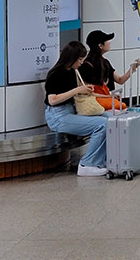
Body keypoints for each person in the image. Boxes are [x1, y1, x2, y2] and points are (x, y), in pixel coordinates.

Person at [44, 41, 109, 177]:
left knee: (110, 119)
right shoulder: (56, 74)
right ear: (71, 58)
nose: (81, 62)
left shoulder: (72, 72)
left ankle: (101, 160)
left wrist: (90, 92)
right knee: (102, 125)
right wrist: (77, 90)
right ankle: (87, 164)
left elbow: (77, 93)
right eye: (80, 59)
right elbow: (53, 100)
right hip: (58, 117)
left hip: (70, 111)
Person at [80, 30, 140, 110]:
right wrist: (109, 96)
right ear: (100, 46)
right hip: (96, 103)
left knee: (121, 107)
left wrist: (133, 68)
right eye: (107, 40)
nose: (109, 43)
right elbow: (88, 92)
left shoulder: (104, 63)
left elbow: (120, 80)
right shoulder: (87, 66)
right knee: (122, 107)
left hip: (105, 101)